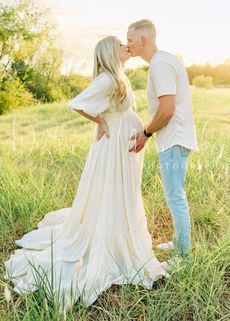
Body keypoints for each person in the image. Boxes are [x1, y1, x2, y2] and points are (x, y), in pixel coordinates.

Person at [4, 36, 168, 312]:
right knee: (113, 187)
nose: (124, 46)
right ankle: (111, 230)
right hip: (114, 141)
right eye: (120, 43)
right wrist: (101, 121)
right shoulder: (106, 79)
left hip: (123, 142)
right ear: (109, 51)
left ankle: (121, 223)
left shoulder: (118, 76)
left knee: (122, 188)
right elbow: (77, 104)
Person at [127, 19, 199, 256]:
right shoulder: (163, 61)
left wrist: (146, 133)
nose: (128, 45)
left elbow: (167, 110)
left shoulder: (160, 65)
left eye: (130, 40)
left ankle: (182, 254)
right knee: (174, 194)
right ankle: (180, 242)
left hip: (174, 140)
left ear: (143, 40)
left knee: (175, 195)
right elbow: (163, 109)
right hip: (173, 139)